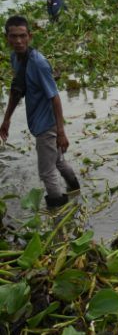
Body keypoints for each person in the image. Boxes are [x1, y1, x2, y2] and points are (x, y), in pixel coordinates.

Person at [1, 15, 79, 207]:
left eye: (22, 36)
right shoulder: (16, 58)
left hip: (47, 125)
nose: (18, 41)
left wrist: (61, 132)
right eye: (14, 36)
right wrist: (7, 119)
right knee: (58, 161)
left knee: (46, 171)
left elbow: (55, 97)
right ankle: (76, 190)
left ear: (30, 36)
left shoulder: (38, 63)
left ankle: (58, 211)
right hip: (38, 122)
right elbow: (17, 90)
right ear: (7, 38)